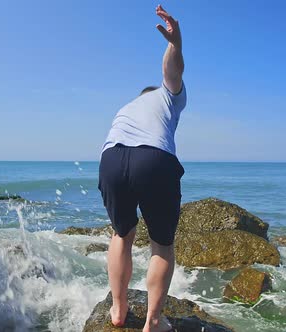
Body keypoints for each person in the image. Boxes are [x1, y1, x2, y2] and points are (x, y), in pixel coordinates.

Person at [98, 5, 186, 332]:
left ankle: (118, 311)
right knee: (162, 244)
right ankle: (153, 322)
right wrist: (175, 45)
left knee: (122, 234)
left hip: (112, 158)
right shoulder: (168, 96)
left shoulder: (127, 107)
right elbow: (171, 73)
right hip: (154, 159)